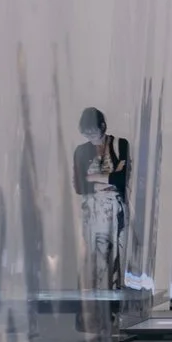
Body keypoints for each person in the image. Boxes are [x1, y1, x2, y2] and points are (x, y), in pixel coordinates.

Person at [73, 106, 130, 289]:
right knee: (95, 256)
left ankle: (113, 302)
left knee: (116, 254)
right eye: (86, 133)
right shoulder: (81, 151)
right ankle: (94, 302)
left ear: (103, 126)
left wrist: (93, 178)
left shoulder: (120, 144)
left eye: (93, 131)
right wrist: (108, 179)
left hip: (114, 210)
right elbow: (80, 186)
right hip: (92, 211)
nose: (90, 136)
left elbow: (121, 179)